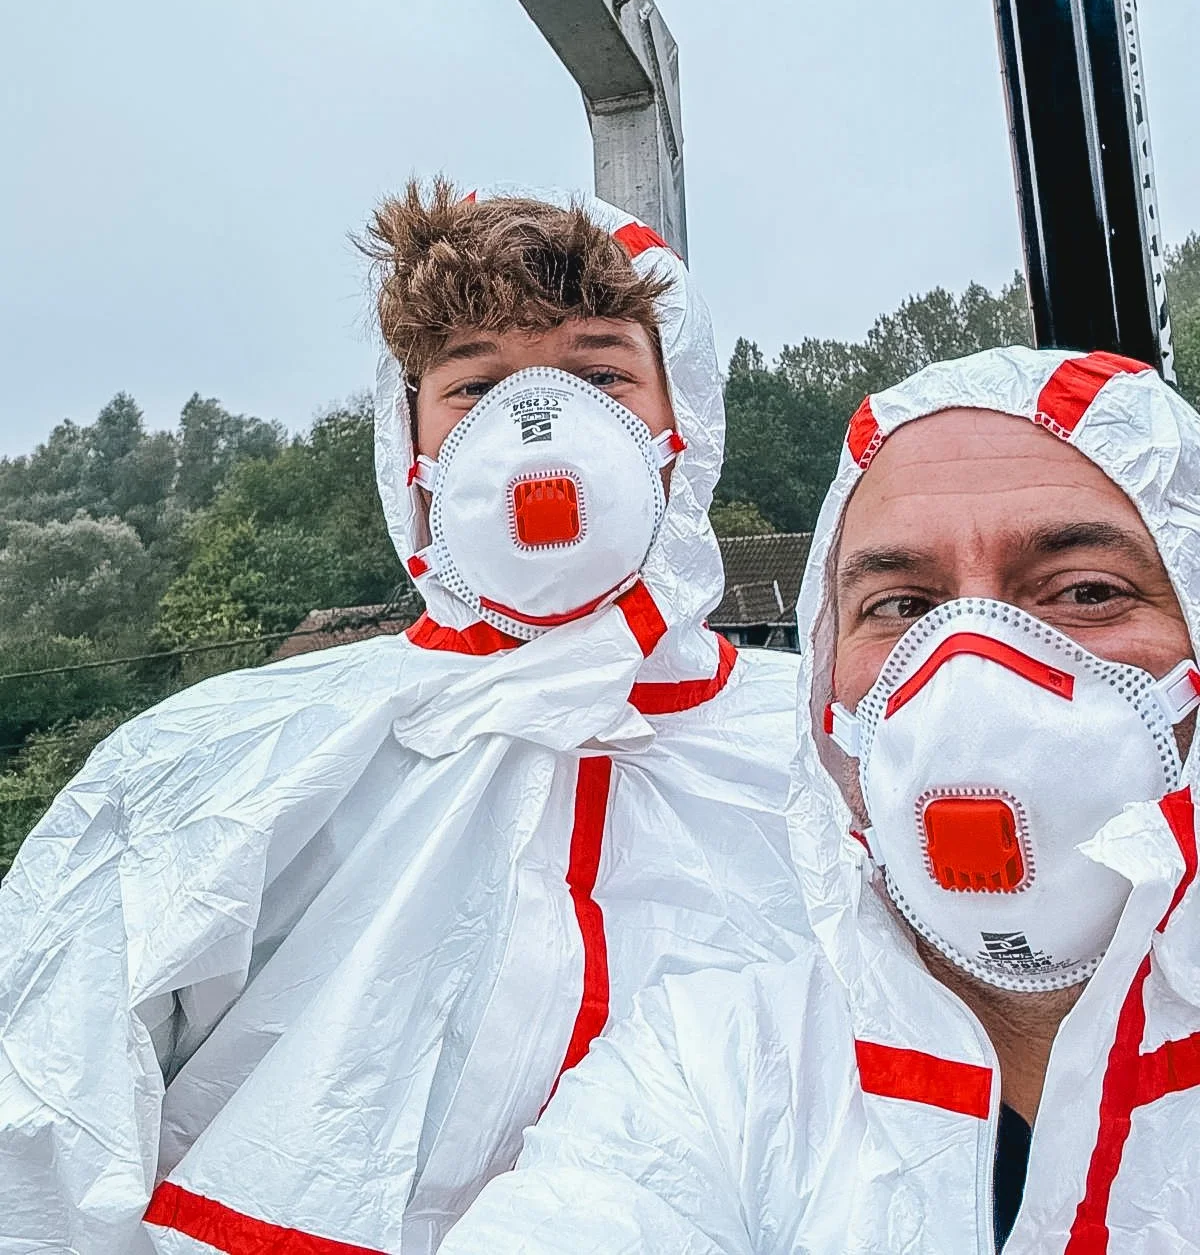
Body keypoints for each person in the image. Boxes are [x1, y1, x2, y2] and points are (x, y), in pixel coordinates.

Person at [0, 183, 808, 1254]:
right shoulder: (215, 764)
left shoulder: (826, 750)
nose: (543, 436)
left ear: (682, 422)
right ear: (411, 446)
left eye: (598, 375)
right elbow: (45, 1114)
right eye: (476, 389)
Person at [441, 346, 1200, 1255]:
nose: (971, 678)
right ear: (826, 697)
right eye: (900, 604)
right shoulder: (722, 1070)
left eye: (1085, 591)